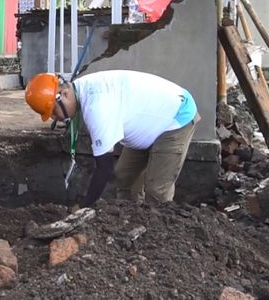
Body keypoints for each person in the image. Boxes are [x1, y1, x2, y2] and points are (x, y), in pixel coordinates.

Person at [24, 70, 200, 207]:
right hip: (150, 120)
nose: (57, 118)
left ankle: (162, 238)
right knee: (124, 176)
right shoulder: (82, 88)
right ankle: (131, 220)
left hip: (175, 117)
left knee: (157, 190)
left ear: (64, 95)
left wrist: (86, 207)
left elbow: (104, 167)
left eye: (54, 111)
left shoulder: (96, 107)